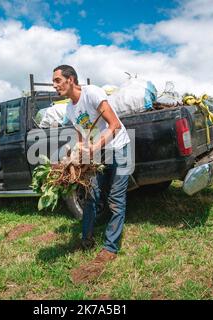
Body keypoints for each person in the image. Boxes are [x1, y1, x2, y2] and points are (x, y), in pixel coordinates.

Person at [52, 65, 131, 262]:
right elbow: (82, 135)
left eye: (57, 80)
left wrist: (94, 147)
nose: (54, 85)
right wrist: (77, 157)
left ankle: (110, 248)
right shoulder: (70, 108)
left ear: (70, 80)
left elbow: (115, 125)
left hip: (119, 148)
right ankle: (86, 240)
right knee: (90, 194)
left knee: (115, 199)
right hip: (99, 153)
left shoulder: (92, 93)